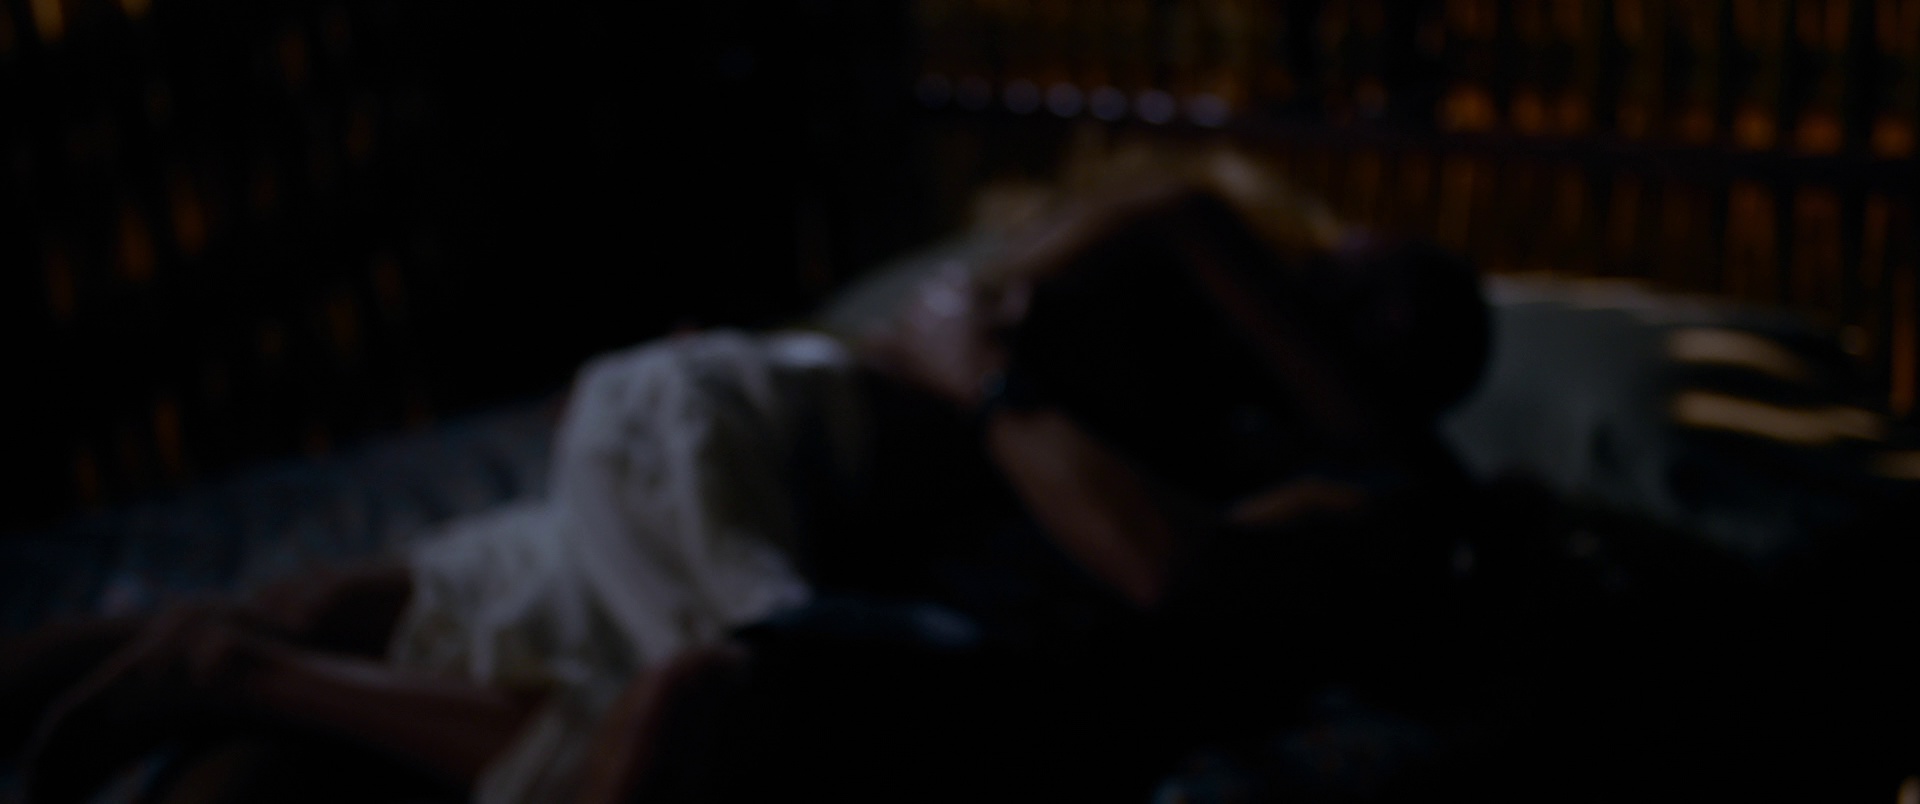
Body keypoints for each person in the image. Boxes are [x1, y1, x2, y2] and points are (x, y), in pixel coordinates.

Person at [1, 149, 1491, 803]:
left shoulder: (1256, 469)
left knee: (336, 613)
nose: (1353, 320)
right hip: (732, 438)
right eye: (1357, 284)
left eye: (1393, 328)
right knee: (706, 700)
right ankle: (239, 675)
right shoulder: (1126, 287)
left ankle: (235, 672)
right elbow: (942, 343)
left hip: (718, 456)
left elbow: (1197, 549)